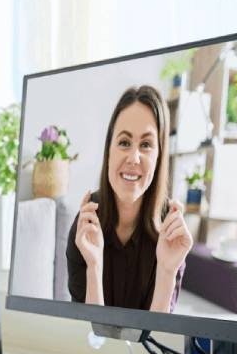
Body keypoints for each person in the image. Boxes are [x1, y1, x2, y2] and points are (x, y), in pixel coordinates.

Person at [66, 85, 192, 312]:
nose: (134, 158)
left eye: (146, 145)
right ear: (109, 150)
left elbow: (158, 339)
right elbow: (87, 337)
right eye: (124, 142)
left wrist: (167, 270)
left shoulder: (171, 230)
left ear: (159, 156)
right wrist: (94, 265)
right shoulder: (86, 224)